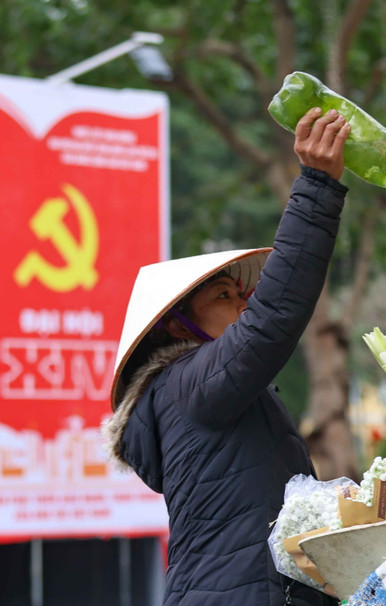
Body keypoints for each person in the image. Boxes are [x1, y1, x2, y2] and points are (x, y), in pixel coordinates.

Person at [103, 107, 351, 606]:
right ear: (178, 325)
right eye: (224, 296)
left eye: (242, 294)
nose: (243, 304)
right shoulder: (187, 383)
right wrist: (317, 186)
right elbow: (273, 316)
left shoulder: (204, 391)